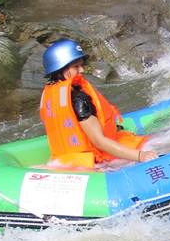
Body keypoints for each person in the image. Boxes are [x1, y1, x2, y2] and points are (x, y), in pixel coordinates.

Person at [39, 39, 158, 167]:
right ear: (60, 69)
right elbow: (99, 141)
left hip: (65, 162)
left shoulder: (50, 94)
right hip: (95, 163)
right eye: (76, 67)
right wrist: (140, 156)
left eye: (81, 65)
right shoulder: (78, 100)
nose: (82, 70)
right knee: (157, 142)